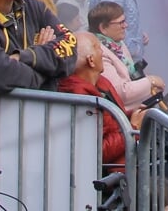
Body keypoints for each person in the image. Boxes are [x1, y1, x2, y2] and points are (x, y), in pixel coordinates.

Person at [58, 34, 138, 167]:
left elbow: (114, 120)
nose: (102, 52)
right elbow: (97, 151)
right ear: (91, 60)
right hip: (115, 175)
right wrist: (133, 129)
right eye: (98, 48)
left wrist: (134, 115)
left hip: (129, 160)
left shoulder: (101, 82)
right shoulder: (79, 96)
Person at [87, 0, 164, 108]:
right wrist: (151, 81)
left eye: (125, 21)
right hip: (120, 115)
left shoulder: (117, 43)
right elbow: (119, 92)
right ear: (103, 28)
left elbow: (130, 78)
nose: (126, 25)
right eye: (121, 22)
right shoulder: (99, 52)